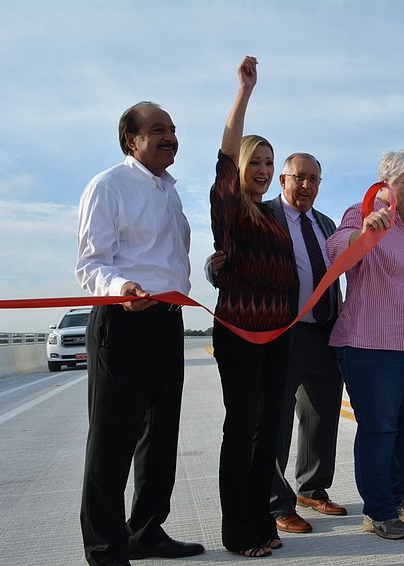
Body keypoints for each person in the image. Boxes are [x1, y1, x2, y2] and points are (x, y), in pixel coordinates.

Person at [76, 101, 204, 565]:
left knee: (160, 435)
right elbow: (90, 263)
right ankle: (107, 550)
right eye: (157, 130)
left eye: (172, 129)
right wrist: (120, 288)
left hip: (168, 321)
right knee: (112, 441)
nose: (170, 137)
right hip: (124, 321)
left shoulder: (170, 191)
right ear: (131, 140)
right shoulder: (109, 186)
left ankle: (147, 530)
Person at [207, 152, 347, 535]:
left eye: (314, 179)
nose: (307, 186)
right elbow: (229, 251)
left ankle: (313, 488)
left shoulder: (326, 223)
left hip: (324, 331)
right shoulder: (261, 214)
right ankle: (277, 502)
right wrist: (213, 267)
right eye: (299, 177)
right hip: (281, 331)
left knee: (322, 415)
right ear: (283, 180)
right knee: (275, 420)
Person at [326, 150, 404, 540]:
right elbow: (335, 248)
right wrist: (365, 232)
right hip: (369, 343)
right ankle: (376, 510)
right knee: (380, 429)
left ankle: (398, 496)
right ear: (386, 181)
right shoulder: (363, 212)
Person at [210, 56, 297, 558]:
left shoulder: (274, 217)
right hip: (241, 333)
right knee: (240, 431)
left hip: (279, 335)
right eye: (255, 163)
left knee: (269, 434)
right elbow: (223, 158)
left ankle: (262, 518)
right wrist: (244, 93)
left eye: (269, 163)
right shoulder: (230, 208)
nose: (263, 171)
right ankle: (236, 528)